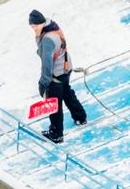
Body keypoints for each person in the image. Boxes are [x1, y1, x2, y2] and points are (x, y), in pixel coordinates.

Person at [29, 9, 87, 144]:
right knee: (67, 92)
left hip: (56, 74)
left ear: (41, 23)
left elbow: (47, 65)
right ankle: (80, 116)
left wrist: (43, 84)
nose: (33, 29)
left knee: (54, 104)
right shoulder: (53, 27)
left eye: (35, 26)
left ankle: (56, 134)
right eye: (32, 26)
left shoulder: (48, 39)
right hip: (66, 68)